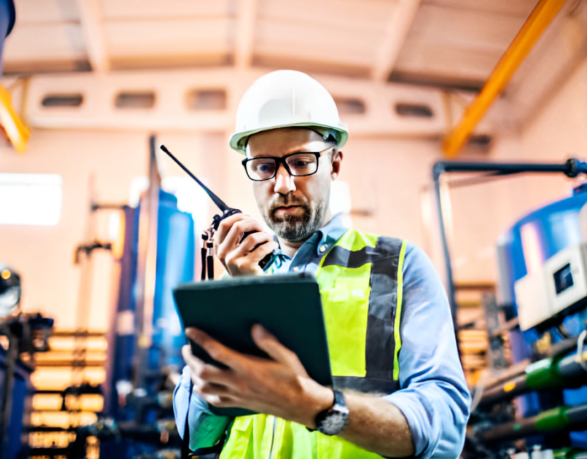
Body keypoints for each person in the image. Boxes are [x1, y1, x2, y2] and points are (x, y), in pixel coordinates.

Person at [173, 70, 470, 458]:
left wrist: (320, 408)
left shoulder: (398, 266)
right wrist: (241, 307)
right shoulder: (238, 279)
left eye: (300, 162)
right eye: (264, 166)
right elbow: (195, 436)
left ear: (334, 164)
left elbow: (444, 424)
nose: (282, 184)